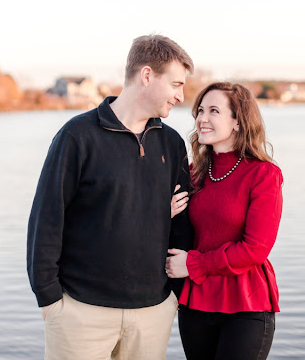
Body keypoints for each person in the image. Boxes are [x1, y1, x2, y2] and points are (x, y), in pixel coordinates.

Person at [27, 34, 194, 360]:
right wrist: (49, 299)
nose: (180, 95)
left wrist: (174, 295)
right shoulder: (78, 136)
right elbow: (47, 218)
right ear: (147, 76)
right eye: (175, 84)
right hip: (81, 312)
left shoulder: (172, 145)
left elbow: (182, 224)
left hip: (152, 313)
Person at [166, 82, 283, 360]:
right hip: (196, 303)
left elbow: (255, 249)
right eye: (201, 110)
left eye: (214, 111)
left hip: (246, 304)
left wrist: (193, 263)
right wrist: (164, 214)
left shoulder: (264, 175)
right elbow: (172, 233)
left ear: (238, 122)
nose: (202, 119)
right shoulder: (191, 173)